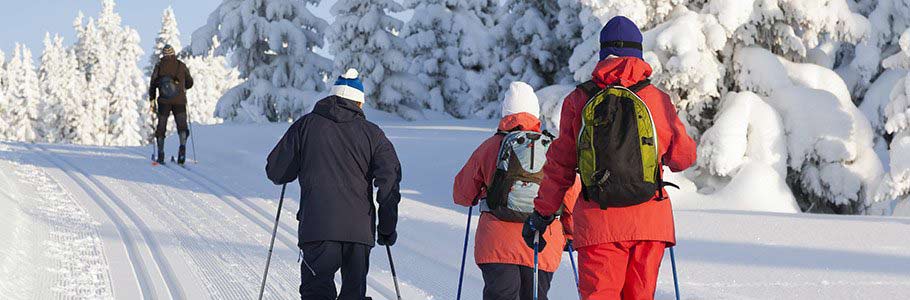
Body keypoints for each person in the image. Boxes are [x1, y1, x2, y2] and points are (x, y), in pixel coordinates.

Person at [522, 16, 697, 300]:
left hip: (598, 223)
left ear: (603, 53)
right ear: (638, 53)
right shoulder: (656, 99)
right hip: (649, 223)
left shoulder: (579, 100)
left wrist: (542, 214)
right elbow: (684, 157)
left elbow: (560, 167)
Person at [266, 68, 402, 300]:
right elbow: (389, 180)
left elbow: (276, 172)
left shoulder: (305, 126)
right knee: (353, 295)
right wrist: (387, 227)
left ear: (332, 96)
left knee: (317, 293)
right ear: (359, 103)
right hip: (359, 231)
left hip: (317, 228)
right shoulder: (373, 134)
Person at [454, 82, 580, 300]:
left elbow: (462, 194)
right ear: (535, 113)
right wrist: (569, 234)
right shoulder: (553, 149)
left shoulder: (489, 147)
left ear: (506, 113)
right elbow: (571, 199)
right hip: (542, 244)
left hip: (496, 244)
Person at [148, 44, 194, 164]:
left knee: (161, 126)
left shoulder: (159, 66)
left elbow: (153, 84)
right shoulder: (181, 65)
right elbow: (190, 83)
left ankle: (161, 153)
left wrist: (152, 99)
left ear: (163, 54)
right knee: (182, 126)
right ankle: (182, 148)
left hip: (163, 102)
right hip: (179, 101)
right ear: (173, 53)